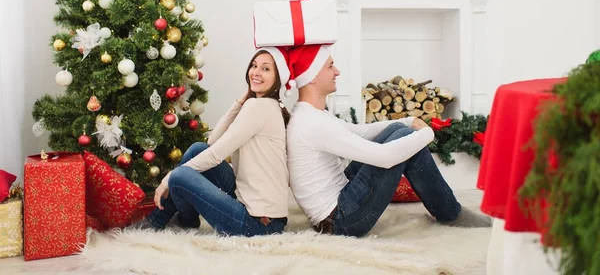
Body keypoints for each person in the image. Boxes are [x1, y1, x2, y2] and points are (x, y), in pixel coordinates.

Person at [285, 44, 491, 237]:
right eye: (330, 66)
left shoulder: (311, 114)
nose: (337, 71)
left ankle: (448, 211)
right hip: (340, 221)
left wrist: (409, 121)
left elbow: (361, 132)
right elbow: (384, 158)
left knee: (398, 128)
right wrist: (427, 134)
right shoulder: (312, 123)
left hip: (339, 200)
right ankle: (450, 213)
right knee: (406, 137)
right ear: (312, 77)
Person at [133, 47, 291, 236]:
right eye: (254, 66)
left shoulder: (258, 107)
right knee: (197, 149)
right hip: (252, 203)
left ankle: (169, 220)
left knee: (178, 176)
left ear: (278, 78)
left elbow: (217, 154)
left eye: (266, 69)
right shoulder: (261, 104)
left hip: (257, 223)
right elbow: (212, 141)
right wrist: (240, 101)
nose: (256, 72)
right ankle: (176, 220)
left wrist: (166, 180)